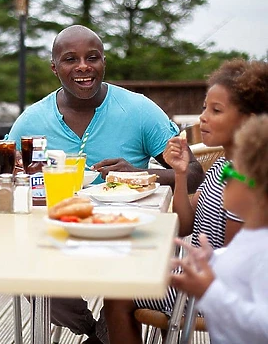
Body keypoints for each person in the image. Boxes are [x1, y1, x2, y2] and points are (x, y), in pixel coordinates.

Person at [7, 25, 205, 344]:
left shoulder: (139, 110)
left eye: (92, 57)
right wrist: (14, 168)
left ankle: (105, 332)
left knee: (119, 288)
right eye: (71, 59)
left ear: (103, 63)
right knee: (29, 274)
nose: (83, 66)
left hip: (129, 237)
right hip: (58, 234)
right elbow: (1, 172)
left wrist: (139, 174)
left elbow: (193, 172)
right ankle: (95, 331)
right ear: (55, 67)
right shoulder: (32, 120)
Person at [104, 59, 268, 343]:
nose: (203, 117)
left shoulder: (246, 182)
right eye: (205, 107)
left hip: (213, 287)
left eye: (216, 110)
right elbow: (185, 224)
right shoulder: (223, 166)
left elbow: (237, 268)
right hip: (203, 270)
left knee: (118, 292)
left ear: (248, 120)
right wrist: (180, 175)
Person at [171, 114, 268, 344]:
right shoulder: (253, 237)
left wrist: (209, 292)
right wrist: (212, 258)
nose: (224, 181)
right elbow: (238, 264)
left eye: (230, 174)